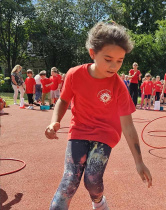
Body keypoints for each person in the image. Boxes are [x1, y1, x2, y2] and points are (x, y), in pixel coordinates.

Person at [44, 21, 152, 210]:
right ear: (92, 53)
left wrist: (139, 162)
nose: (114, 66)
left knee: (92, 180)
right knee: (70, 179)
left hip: (105, 134)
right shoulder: (74, 74)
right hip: (79, 131)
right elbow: (63, 100)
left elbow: (127, 126)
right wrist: (55, 122)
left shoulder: (119, 86)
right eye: (108, 59)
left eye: (119, 61)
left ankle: (99, 202)